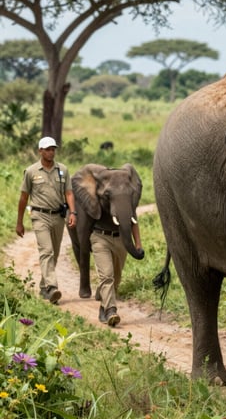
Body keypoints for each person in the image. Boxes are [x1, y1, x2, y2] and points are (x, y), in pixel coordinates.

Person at [16, 137, 77, 303]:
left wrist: (73, 213)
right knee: (47, 251)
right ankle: (52, 287)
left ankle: (44, 288)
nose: (51, 152)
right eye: (48, 149)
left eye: (53, 149)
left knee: (55, 254)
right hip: (39, 216)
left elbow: (69, 193)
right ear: (40, 151)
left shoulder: (62, 170)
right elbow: (23, 198)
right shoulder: (31, 171)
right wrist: (19, 222)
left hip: (58, 216)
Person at [91, 214, 143, 328]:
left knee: (116, 277)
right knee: (107, 275)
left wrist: (138, 243)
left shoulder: (125, 196)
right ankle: (111, 310)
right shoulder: (98, 196)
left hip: (122, 239)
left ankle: (104, 304)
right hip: (100, 237)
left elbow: (133, 219)